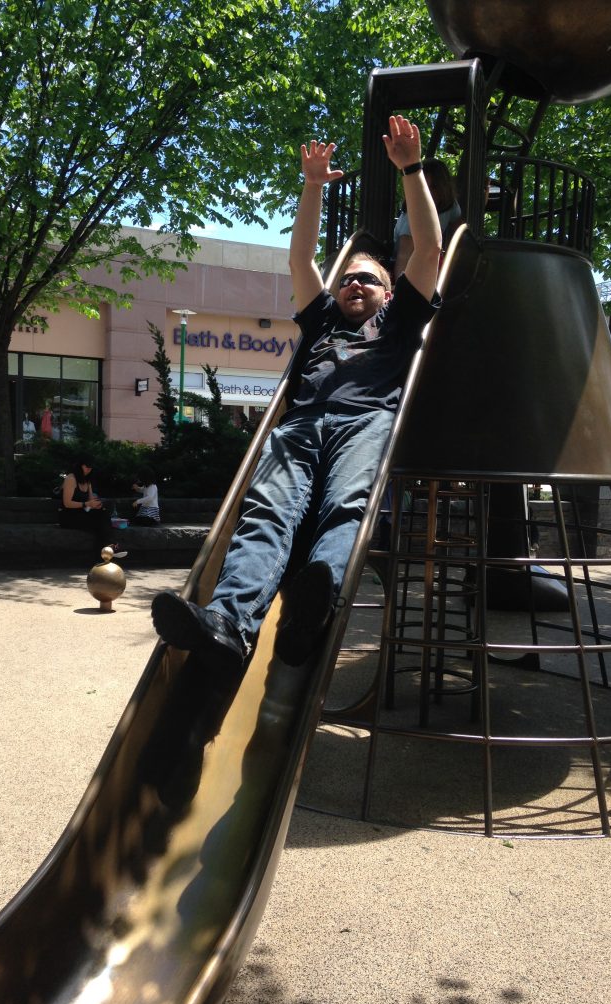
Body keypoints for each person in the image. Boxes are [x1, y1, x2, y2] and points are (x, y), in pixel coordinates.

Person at [151, 114, 442, 673]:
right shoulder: (323, 320)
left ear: (388, 292)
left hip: (368, 421)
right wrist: (312, 188)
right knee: (265, 512)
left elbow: (428, 249)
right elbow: (301, 259)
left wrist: (412, 170)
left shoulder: (400, 319)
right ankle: (229, 623)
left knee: (345, 507)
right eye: (347, 278)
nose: (354, 284)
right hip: (302, 424)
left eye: (367, 279)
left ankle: (314, 604)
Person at [393, 157, 463, 279]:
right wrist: (402, 288)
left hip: (430, 262)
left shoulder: (451, 206)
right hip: (408, 267)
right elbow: (403, 257)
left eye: (434, 187)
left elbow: (459, 237)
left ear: (443, 188)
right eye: (424, 187)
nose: (428, 194)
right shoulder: (413, 217)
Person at [58, 455, 127, 558]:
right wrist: (86, 504)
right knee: (99, 523)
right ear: (80, 466)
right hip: (68, 516)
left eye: (90, 468)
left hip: (81, 513)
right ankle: (108, 549)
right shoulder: (71, 479)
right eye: (87, 467)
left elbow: (90, 501)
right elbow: (67, 503)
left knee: (102, 514)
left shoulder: (87, 480)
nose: (89, 470)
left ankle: (107, 550)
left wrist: (96, 505)